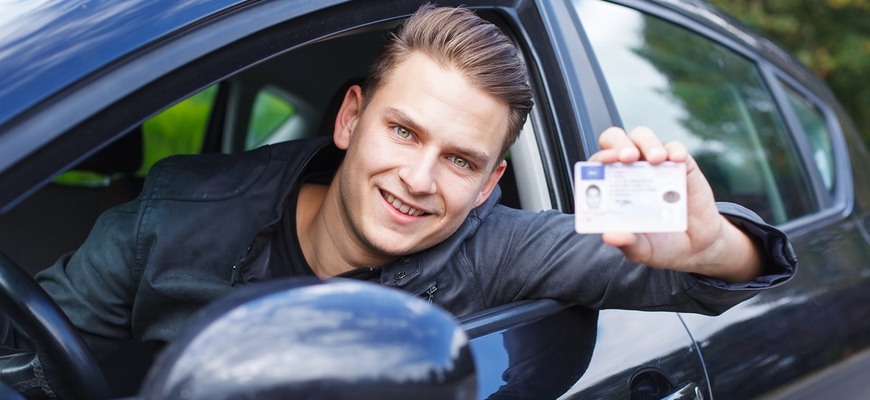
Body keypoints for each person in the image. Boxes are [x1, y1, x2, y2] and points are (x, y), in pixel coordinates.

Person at [36, 4, 794, 365]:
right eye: (403, 131)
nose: (419, 180)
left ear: (491, 183)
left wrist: (714, 242)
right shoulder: (175, 211)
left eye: (461, 161)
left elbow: (697, 277)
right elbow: (31, 354)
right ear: (349, 120)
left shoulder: (500, 249)